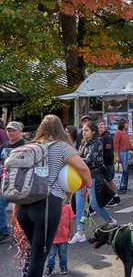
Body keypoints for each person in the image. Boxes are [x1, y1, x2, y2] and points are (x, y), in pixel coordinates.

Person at [17, 115, 91, 277]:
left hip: (23, 206)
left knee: (34, 249)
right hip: (47, 205)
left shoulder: (31, 146)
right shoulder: (62, 147)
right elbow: (83, 169)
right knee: (39, 254)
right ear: (60, 130)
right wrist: (89, 186)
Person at [70, 122, 116, 244]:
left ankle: (110, 221)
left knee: (95, 205)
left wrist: (74, 161)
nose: (83, 132)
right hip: (82, 176)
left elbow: (89, 159)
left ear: (93, 131)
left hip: (94, 176)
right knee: (80, 205)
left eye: (86, 130)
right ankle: (80, 232)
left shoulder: (97, 143)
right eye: (83, 130)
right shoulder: (83, 143)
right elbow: (80, 158)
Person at [0, 121, 26, 243]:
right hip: (5, 182)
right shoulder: (4, 146)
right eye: (8, 130)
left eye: (13, 130)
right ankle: (4, 231)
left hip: (20, 182)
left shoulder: (25, 145)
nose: (10, 133)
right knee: (0, 205)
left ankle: (21, 233)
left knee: (20, 209)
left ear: (20, 130)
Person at [44, 194, 74, 276]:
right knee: (51, 254)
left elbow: (71, 221)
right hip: (52, 238)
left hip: (64, 236)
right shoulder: (48, 208)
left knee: (63, 254)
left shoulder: (67, 207)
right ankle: (50, 268)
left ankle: (63, 267)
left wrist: (70, 232)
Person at [97, 120, 120, 208]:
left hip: (108, 162)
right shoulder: (99, 136)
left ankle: (116, 198)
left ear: (104, 126)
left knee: (109, 179)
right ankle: (109, 197)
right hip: (102, 162)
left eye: (101, 124)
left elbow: (108, 151)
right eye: (98, 124)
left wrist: (105, 163)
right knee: (106, 180)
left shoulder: (107, 136)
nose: (100, 126)